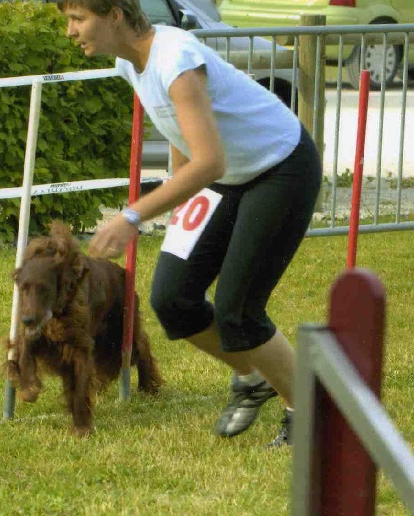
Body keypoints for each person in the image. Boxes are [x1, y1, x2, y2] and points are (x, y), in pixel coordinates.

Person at [57, 0, 322, 446]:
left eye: (78, 19)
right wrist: (175, 196)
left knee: (239, 310)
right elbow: (179, 129)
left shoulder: (174, 56)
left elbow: (210, 161)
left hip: (281, 168)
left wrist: (133, 215)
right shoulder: (131, 65)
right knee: (172, 299)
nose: (70, 31)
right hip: (226, 177)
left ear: (116, 15)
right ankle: (254, 377)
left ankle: (309, 414)